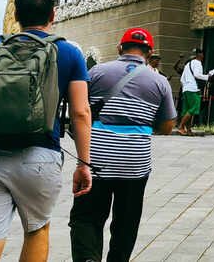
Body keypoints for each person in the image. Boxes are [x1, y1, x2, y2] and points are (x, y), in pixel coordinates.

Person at [0, 0, 93, 262]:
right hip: (40, 157)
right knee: (37, 231)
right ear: (53, 15)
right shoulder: (69, 53)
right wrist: (83, 163)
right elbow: (81, 113)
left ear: (15, 14)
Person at [69, 28, 176, 262]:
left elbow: (80, 111)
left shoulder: (97, 72)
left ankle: (88, 257)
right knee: (126, 221)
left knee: (87, 217)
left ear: (120, 48)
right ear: (149, 53)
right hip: (135, 162)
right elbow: (167, 126)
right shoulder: (159, 81)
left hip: (96, 158)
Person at [176, 50, 212, 136]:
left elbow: (182, 79)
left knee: (188, 110)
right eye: (202, 54)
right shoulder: (198, 63)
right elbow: (197, 75)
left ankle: (188, 130)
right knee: (194, 108)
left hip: (186, 89)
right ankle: (181, 126)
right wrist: (207, 76)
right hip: (193, 89)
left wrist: (186, 86)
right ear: (199, 55)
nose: (203, 55)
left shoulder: (188, 64)